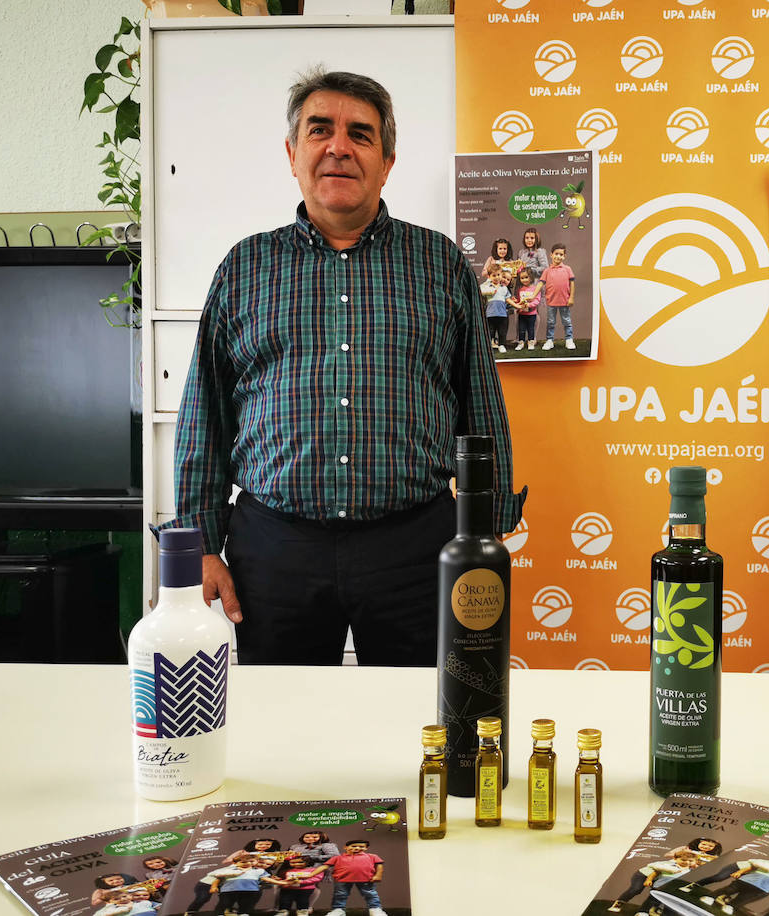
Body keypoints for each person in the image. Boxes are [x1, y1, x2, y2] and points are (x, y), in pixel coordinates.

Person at [166, 66, 523, 667]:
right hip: (273, 548)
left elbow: (481, 409)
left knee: (427, 723)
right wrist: (198, 548)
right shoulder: (244, 268)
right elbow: (205, 414)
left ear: (386, 163)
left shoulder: (440, 264)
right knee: (282, 731)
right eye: (319, 130)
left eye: (361, 134)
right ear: (292, 153)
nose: (339, 147)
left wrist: (489, 529)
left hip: (416, 547)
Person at [325, 839, 386, 916]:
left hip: (366, 878)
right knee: (340, 895)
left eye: (361, 846)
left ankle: (375, 909)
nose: (357, 848)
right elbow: (325, 866)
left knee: (370, 894)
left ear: (366, 848)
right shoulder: (338, 857)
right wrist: (312, 874)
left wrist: (378, 875)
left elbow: (379, 865)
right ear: (345, 847)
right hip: (342, 879)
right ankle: (338, 909)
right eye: (353, 846)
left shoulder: (372, 856)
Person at [540, 242, 577, 350]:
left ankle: (569, 339)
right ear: (551, 255)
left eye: (561, 254)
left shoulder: (568, 269)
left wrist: (571, 297)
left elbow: (572, 284)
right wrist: (533, 295)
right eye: (556, 254)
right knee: (551, 322)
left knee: (567, 321)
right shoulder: (547, 271)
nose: (558, 256)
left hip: (564, 301)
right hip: (551, 301)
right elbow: (541, 283)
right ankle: (549, 340)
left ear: (564, 256)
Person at [481, 265, 512, 353]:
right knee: (490, 331)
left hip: (502, 314)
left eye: (498, 275)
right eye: (494, 275)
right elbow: (480, 290)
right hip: (490, 314)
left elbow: (508, 299)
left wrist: (518, 306)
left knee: (502, 331)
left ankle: (501, 345)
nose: (496, 277)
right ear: (489, 277)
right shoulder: (487, 286)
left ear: (501, 275)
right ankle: (489, 345)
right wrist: (490, 290)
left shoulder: (504, 288)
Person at [510, 267, 542, 350]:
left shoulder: (535, 289)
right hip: (522, 314)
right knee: (521, 329)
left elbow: (537, 301)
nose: (524, 280)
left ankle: (531, 342)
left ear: (531, 277)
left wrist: (529, 305)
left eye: (526, 277)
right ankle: (521, 342)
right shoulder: (520, 289)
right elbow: (520, 301)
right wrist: (516, 301)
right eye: (522, 278)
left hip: (532, 314)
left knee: (531, 329)